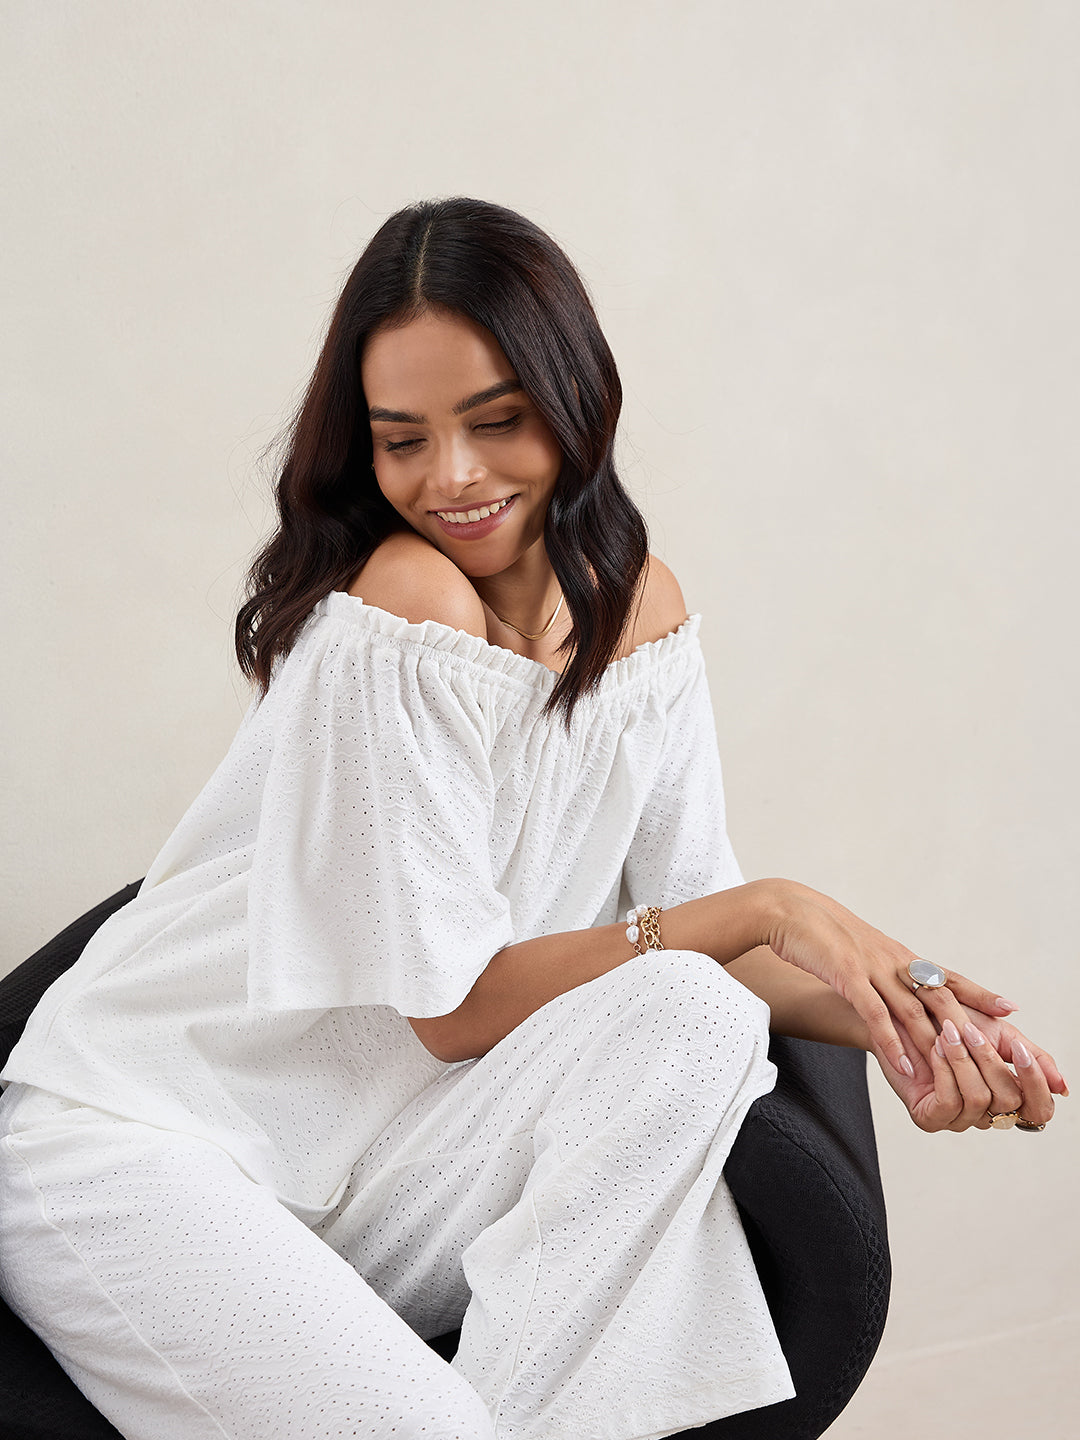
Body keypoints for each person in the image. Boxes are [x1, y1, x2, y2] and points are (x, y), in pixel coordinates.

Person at [0, 196, 1065, 1440]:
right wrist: (781, 904)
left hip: (381, 1165)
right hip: (146, 1143)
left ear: (574, 401)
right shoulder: (405, 604)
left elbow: (716, 947)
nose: (450, 478)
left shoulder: (640, 611)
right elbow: (458, 1011)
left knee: (695, 1007)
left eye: (495, 422)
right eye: (403, 441)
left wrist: (914, 1024)